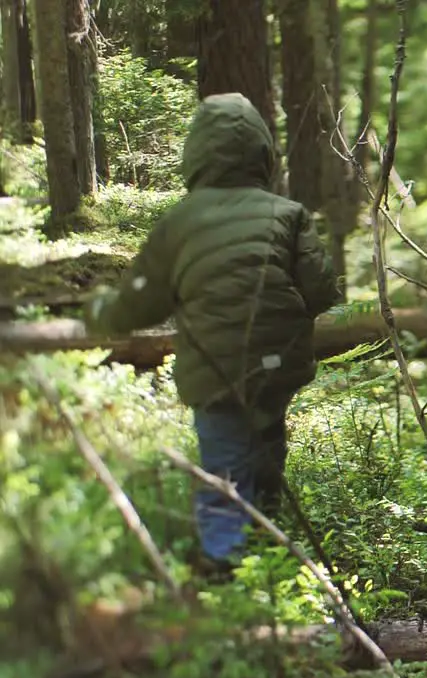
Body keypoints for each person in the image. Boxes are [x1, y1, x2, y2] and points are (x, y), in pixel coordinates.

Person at [83, 92, 342, 578]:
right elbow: (322, 291)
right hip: (277, 365)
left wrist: (96, 312)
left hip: (214, 370)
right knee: (266, 447)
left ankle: (224, 565)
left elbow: (138, 304)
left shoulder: (180, 222)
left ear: (196, 154)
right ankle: (267, 547)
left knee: (224, 458)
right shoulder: (287, 214)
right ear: (263, 154)